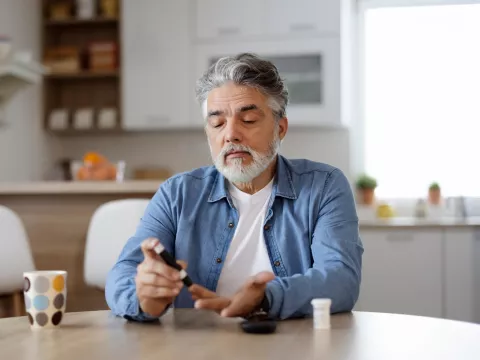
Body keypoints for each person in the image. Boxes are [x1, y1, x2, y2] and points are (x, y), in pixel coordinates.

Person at [105, 53, 363, 322]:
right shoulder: (176, 194)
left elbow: (341, 278)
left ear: (280, 128)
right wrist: (144, 298)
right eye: (217, 123)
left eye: (248, 120)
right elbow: (123, 273)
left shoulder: (324, 186)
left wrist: (266, 298)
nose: (230, 134)